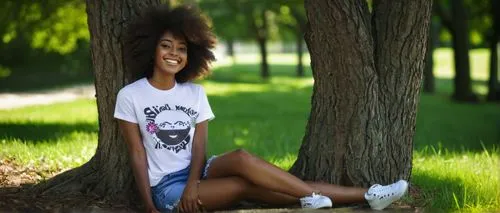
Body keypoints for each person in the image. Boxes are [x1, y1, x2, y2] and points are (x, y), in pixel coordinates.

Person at [114, 5, 409, 213]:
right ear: (152, 48)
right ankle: (316, 196)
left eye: (181, 49)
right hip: (167, 189)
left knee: (242, 158)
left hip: (199, 171)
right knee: (245, 187)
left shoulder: (194, 93)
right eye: (166, 46)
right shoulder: (131, 96)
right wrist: (150, 206)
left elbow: (199, 145)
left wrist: (195, 181)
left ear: (190, 56)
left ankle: (370, 194)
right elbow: (137, 153)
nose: (173, 54)